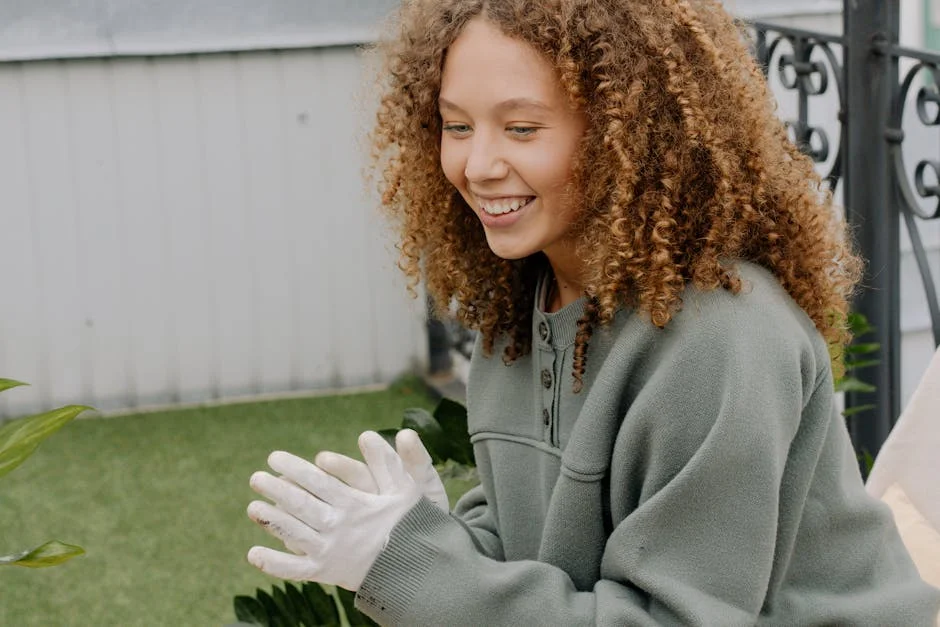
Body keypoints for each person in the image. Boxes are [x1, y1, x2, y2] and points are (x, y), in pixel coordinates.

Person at [245, 0, 940, 624]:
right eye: (455, 125)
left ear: (627, 133)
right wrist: (435, 540)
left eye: (521, 128)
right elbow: (538, 554)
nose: (477, 163)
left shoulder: (723, 339)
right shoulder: (519, 315)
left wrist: (418, 568)